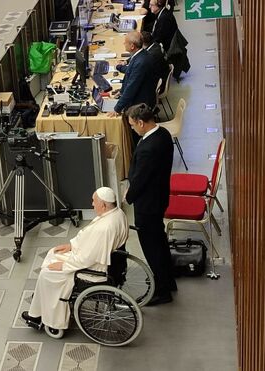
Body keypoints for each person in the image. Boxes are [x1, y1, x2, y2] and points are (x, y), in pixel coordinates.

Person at [22, 187, 129, 330]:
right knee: (53, 253)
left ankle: (49, 319)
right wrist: (72, 245)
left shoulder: (104, 228)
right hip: (108, 261)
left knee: (47, 273)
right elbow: (90, 241)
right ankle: (44, 298)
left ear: (103, 205)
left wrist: (65, 266)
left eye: (94, 201)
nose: (92, 204)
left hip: (92, 270)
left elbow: (88, 259)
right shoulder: (117, 213)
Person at [124, 104, 175, 305]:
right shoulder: (162, 133)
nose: (132, 129)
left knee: (152, 247)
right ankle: (167, 279)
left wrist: (128, 197)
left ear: (141, 122)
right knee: (160, 241)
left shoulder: (148, 148)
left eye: (132, 125)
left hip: (148, 204)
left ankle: (162, 290)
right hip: (159, 197)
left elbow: (141, 179)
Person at [107, 31, 158, 118]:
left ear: (132, 46)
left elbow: (131, 87)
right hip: (141, 95)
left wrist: (117, 109)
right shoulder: (140, 55)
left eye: (125, 42)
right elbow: (130, 73)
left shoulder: (140, 62)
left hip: (140, 104)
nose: (124, 43)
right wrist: (121, 91)